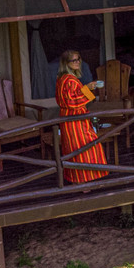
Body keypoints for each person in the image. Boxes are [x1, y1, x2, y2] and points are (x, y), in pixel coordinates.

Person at [55, 50, 107, 182]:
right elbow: (71, 101)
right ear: (66, 63)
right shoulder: (69, 80)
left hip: (68, 118)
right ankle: (84, 181)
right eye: (74, 60)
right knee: (85, 147)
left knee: (73, 148)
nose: (77, 62)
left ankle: (77, 179)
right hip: (75, 119)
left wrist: (88, 88)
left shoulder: (62, 78)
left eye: (78, 59)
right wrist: (88, 88)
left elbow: (71, 98)